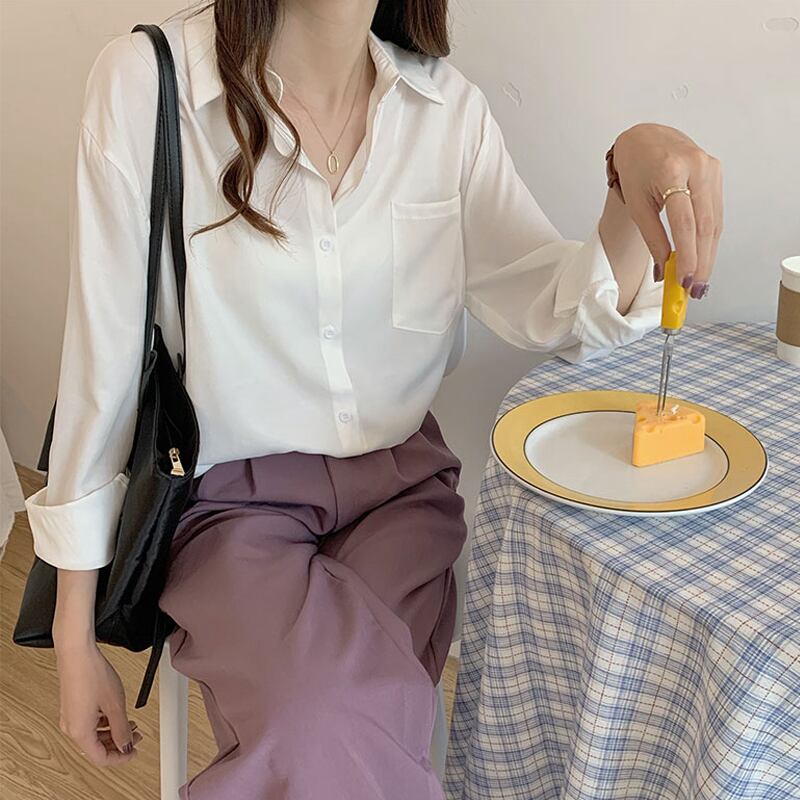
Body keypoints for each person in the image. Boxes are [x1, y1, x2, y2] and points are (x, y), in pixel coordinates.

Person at [23, 1, 722, 797]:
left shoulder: (445, 111)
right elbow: (102, 365)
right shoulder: (151, 85)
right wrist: (73, 633)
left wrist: (630, 175)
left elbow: (556, 305)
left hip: (399, 497)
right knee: (329, 721)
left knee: (327, 727)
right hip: (228, 505)